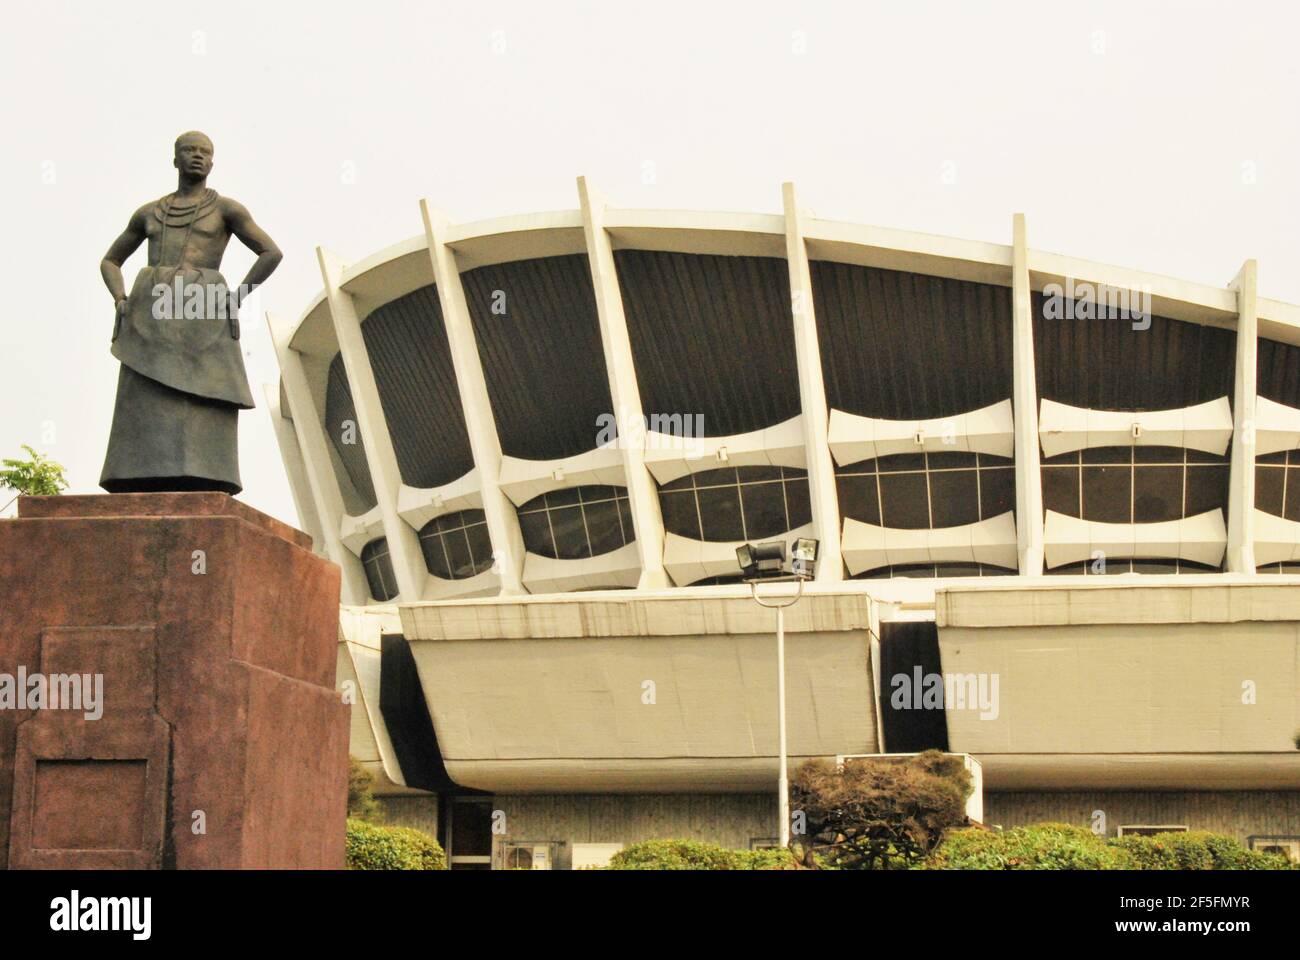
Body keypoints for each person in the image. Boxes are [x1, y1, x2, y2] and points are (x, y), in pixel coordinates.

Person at [98, 131, 282, 494]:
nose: (197, 156)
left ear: (212, 162)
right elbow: (110, 260)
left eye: (205, 152)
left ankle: (209, 472)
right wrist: (120, 299)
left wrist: (238, 296)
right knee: (146, 394)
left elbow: (270, 252)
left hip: (204, 310)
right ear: (175, 159)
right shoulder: (149, 212)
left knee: (204, 395)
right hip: (151, 311)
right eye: (189, 151)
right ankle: (135, 472)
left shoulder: (227, 209)